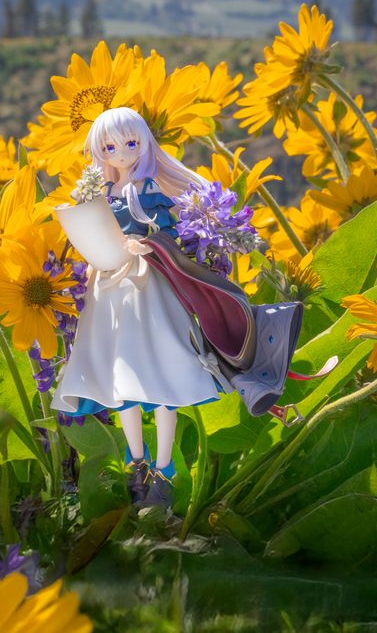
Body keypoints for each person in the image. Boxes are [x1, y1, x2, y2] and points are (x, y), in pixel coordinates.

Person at [50, 106, 222, 508]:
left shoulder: (149, 191)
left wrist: (145, 244)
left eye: (130, 143)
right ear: (100, 152)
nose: (122, 152)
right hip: (110, 287)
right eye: (110, 146)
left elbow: (167, 231)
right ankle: (137, 462)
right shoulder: (102, 194)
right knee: (120, 376)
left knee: (163, 372)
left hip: (148, 282)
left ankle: (164, 469)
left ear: (144, 143)